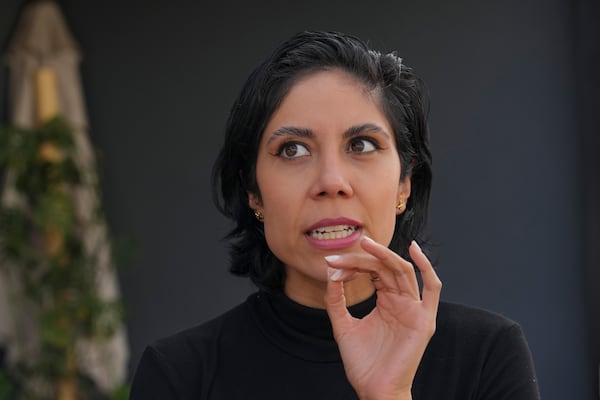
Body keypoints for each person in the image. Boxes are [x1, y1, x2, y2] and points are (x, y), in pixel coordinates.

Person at [129, 31, 540, 399]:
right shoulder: (180, 375)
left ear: (404, 184)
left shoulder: (486, 355)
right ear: (254, 191)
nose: (331, 181)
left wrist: (390, 394)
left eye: (361, 145)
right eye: (293, 150)